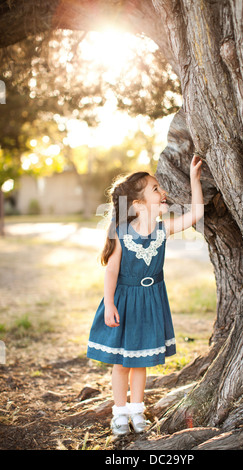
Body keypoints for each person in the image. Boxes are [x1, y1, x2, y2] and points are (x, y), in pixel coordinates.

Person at [87, 155, 204, 436]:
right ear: (138, 205)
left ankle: (137, 411)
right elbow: (112, 271)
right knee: (121, 362)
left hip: (151, 300)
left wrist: (194, 179)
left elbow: (196, 214)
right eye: (155, 189)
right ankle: (119, 414)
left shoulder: (163, 229)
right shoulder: (122, 232)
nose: (162, 192)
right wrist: (110, 303)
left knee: (141, 360)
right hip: (125, 301)